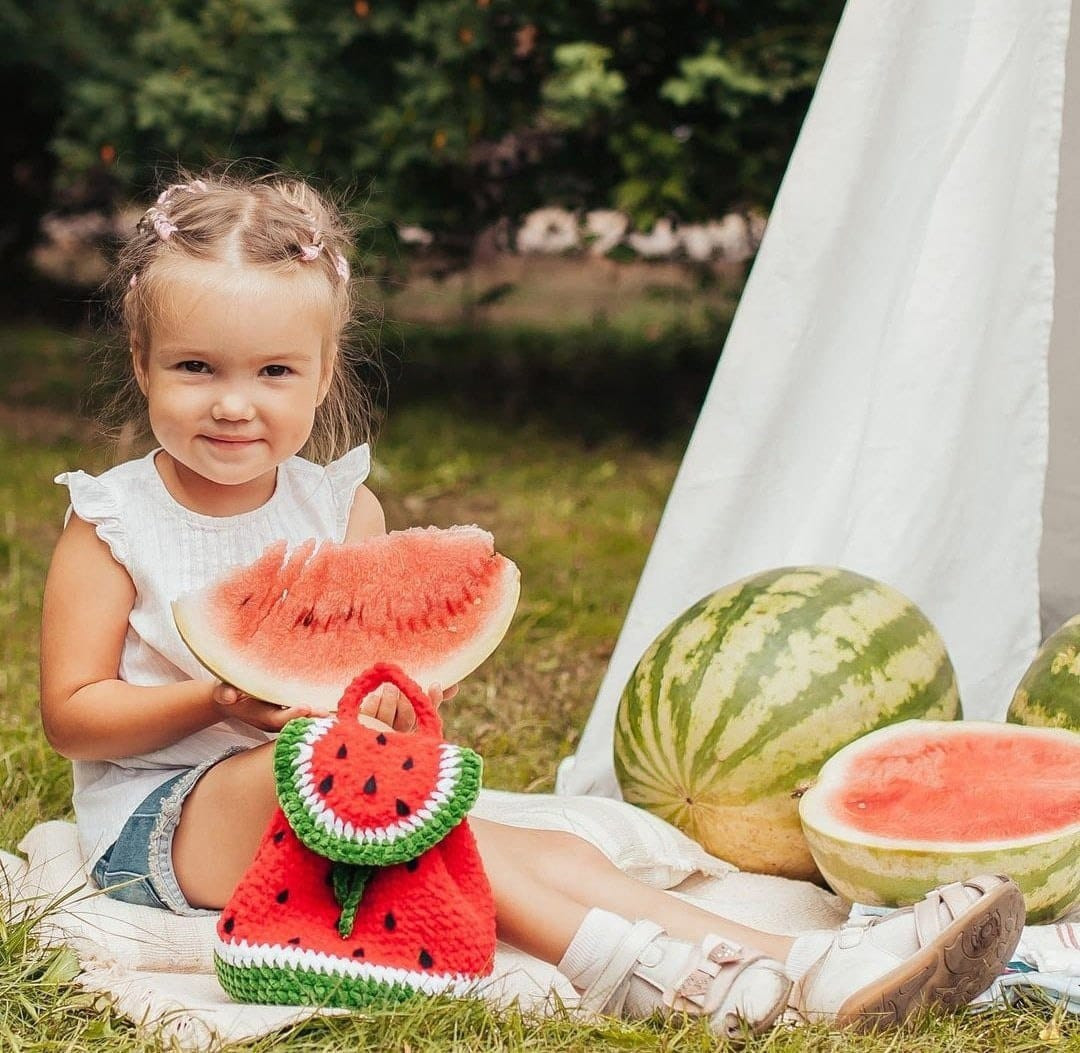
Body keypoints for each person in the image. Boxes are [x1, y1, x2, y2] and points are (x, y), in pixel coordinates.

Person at [39, 170, 1023, 1039]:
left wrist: (391, 708)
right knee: (339, 781)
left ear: (325, 372)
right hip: (160, 828)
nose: (234, 405)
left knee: (542, 846)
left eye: (274, 372)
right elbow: (73, 716)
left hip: (344, 792)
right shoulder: (115, 521)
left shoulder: (341, 506)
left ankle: (804, 962)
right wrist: (210, 700)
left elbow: (379, 702)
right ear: (143, 364)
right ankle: (644, 974)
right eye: (196, 368)